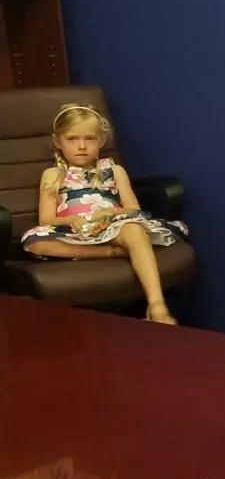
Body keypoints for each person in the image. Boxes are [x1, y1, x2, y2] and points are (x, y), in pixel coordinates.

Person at [21, 102, 188, 324]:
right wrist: (73, 219)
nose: (81, 146)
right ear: (57, 141)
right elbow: (46, 219)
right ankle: (114, 253)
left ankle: (157, 305)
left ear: (101, 140)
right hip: (74, 231)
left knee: (134, 230)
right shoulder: (53, 174)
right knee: (34, 242)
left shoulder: (114, 170)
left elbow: (134, 210)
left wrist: (110, 212)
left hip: (112, 227)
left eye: (89, 138)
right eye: (72, 139)